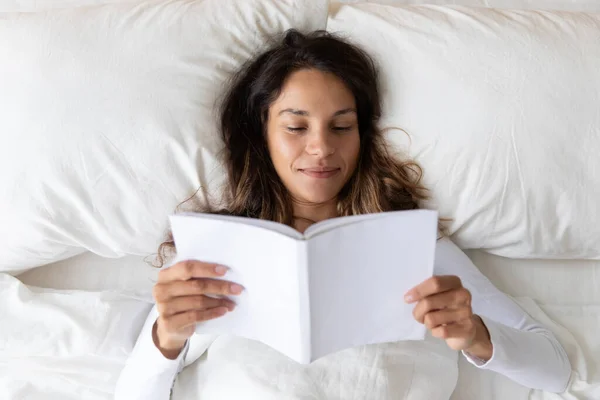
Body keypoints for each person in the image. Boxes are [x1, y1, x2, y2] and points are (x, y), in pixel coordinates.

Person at [114, 30, 571, 399]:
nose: (321, 147)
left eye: (341, 127)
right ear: (262, 133)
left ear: (362, 135)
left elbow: (555, 369)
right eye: (296, 127)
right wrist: (165, 338)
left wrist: (475, 334)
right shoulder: (215, 251)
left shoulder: (414, 245)